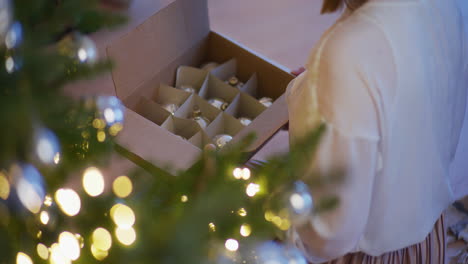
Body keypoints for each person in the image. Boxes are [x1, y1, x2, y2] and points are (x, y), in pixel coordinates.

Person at [285, 0, 468, 263]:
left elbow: (331, 232)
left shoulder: (351, 51)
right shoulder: (447, 7)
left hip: (362, 253)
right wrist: (313, 93)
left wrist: (284, 230)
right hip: (425, 237)